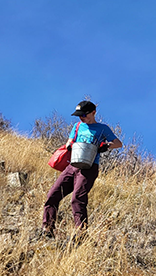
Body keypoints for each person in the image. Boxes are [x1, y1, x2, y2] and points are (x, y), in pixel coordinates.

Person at [42, 101, 123, 238]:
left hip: (89, 167)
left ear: (93, 113)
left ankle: (81, 234)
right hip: (72, 165)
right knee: (53, 195)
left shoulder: (102, 128)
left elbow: (118, 144)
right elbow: (70, 140)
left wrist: (105, 146)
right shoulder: (78, 126)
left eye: (84, 115)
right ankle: (47, 229)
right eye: (79, 115)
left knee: (77, 199)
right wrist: (70, 146)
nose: (81, 117)